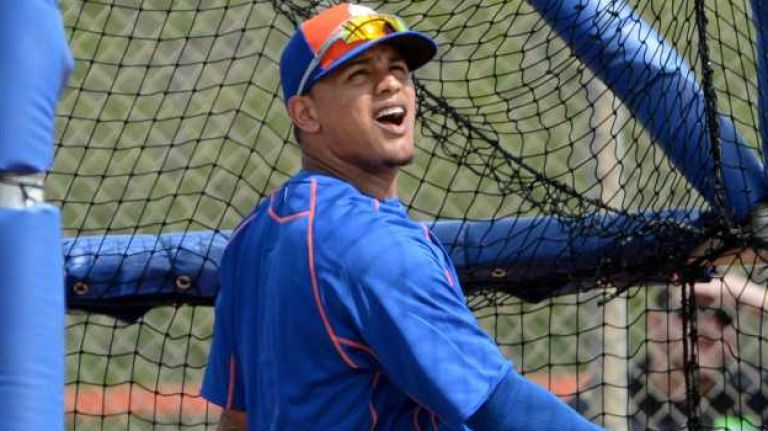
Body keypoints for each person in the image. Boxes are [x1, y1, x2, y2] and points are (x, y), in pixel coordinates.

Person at [201, 3, 602, 430]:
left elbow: (237, 419)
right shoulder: (370, 246)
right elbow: (500, 405)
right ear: (306, 113)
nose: (390, 83)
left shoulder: (253, 234)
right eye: (359, 74)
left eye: (398, 69)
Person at [571, 272, 768, 430]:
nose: (707, 326)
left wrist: (755, 297)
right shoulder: (608, 396)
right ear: (655, 322)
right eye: (690, 311)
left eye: (724, 316)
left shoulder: (754, 392)